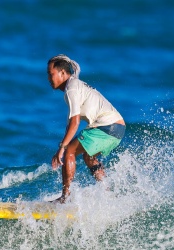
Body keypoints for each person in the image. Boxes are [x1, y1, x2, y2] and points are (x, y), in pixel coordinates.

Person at [47, 54, 126, 203]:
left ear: (62, 73)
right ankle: (107, 194)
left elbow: (75, 123)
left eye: (51, 74)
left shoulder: (71, 88)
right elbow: (70, 124)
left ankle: (65, 197)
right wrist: (60, 148)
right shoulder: (75, 86)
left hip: (107, 126)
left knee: (70, 151)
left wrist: (64, 148)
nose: (49, 79)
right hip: (118, 129)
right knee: (89, 156)